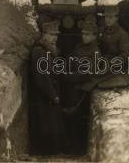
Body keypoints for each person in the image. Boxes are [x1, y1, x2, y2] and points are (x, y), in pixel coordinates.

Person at [61, 21, 101, 154]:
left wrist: (67, 76)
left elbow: (89, 73)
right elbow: (69, 59)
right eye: (83, 34)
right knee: (69, 118)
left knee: (77, 118)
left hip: (80, 89)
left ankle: (76, 148)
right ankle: (69, 145)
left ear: (94, 36)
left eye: (88, 34)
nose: (84, 36)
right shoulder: (79, 46)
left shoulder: (95, 52)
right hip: (71, 86)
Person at [28, 21, 67, 155]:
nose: (55, 38)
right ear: (44, 35)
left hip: (51, 92)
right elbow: (41, 76)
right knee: (45, 122)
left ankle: (53, 150)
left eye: (56, 35)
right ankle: (45, 152)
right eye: (52, 35)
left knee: (52, 122)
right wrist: (52, 94)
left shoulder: (51, 50)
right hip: (43, 94)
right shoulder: (39, 51)